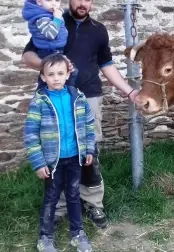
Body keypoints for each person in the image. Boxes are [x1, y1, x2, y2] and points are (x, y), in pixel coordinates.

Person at [22, 0, 140, 229]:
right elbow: (27, 56)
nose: (83, 3)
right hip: (54, 99)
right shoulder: (52, 21)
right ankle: (60, 207)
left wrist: (130, 91)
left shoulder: (99, 30)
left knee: (89, 152)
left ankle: (93, 203)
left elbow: (106, 65)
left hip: (89, 97)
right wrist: (47, 64)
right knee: (55, 151)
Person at [24, 53, 94, 252]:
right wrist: (38, 162)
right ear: (43, 77)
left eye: (60, 73)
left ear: (67, 75)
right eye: (51, 74)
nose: (56, 78)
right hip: (52, 162)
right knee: (52, 197)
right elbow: (30, 135)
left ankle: (77, 234)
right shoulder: (39, 102)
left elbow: (88, 125)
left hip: (74, 158)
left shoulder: (78, 97)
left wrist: (88, 149)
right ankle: (45, 238)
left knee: (73, 194)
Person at [22, 0, 79, 88]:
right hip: (48, 51)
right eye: (49, 0)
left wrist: (67, 11)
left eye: (57, 0)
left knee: (68, 72)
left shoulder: (49, 13)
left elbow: (61, 11)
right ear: (39, 2)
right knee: (52, 73)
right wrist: (57, 18)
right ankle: (52, 92)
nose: (53, 3)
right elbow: (51, 34)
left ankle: (64, 90)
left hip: (55, 49)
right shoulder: (41, 18)